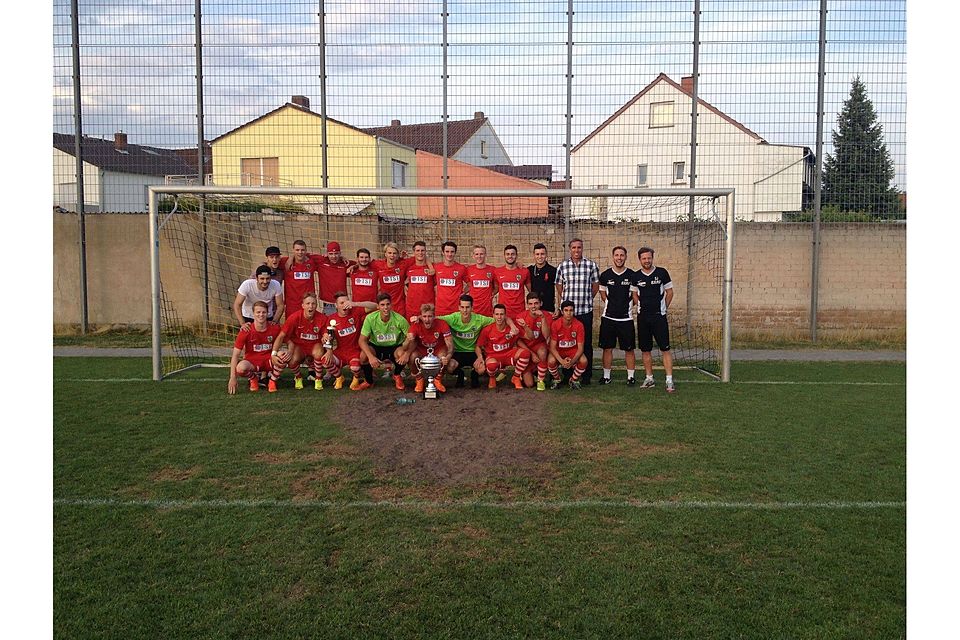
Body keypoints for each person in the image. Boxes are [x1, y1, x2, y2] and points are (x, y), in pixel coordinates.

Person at [555, 238, 600, 384]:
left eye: (579, 247)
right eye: (573, 247)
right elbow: (559, 287)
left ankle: (586, 376)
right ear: (570, 249)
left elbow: (595, 286)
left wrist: (586, 299)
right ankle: (568, 374)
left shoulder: (591, 265)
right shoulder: (563, 266)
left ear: (582, 249)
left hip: (585, 311)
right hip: (568, 313)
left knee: (585, 344)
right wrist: (566, 303)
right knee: (566, 343)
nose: (576, 250)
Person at [634, 246, 676, 393]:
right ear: (639, 259)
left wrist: (664, 307)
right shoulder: (636, 276)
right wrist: (639, 306)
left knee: (665, 349)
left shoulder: (662, 273)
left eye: (649, 258)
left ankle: (669, 380)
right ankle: (649, 378)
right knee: (646, 350)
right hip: (643, 317)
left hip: (659, 316)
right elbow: (634, 294)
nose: (647, 260)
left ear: (653, 258)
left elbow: (669, 292)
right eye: (644, 258)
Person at [319, 292, 377, 391]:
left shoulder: (355, 312)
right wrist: (328, 350)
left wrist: (355, 303)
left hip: (355, 352)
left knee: (355, 367)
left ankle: (356, 378)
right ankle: (339, 377)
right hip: (340, 352)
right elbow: (328, 337)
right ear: (336, 305)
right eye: (341, 303)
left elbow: (375, 306)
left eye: (346, 302)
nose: (345, 305)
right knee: (325, 361)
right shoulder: (331, 319)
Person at [598, 246, 638, 385]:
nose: (619, 258)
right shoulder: (605, 275)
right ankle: (606, 376)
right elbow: (602, 292)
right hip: (608, 317)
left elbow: (635, 295)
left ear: (626, 257)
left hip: (626, 319)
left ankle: (631, 377)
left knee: (629, 349)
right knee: (607, 348)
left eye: (622, 255)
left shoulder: (632, 275)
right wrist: (610, 303)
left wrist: (627, 306)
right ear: (613, 257)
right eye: (617, 255)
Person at [271, 292, 326, 390]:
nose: (311, 306)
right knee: (291, 360)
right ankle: (298, 377)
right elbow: (281, 336)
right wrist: (273, 353)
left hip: (314, 346)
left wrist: (326, 338)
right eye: (308, 303)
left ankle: (318, 379)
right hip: (299, 347)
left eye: (313, 304)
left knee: (318, 352)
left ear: (316, 305)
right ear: (303, 305)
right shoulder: (294, 317)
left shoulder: (322, 318)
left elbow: (326, 336)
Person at [439, 294, 494, 388]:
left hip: (473, 352)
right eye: (462, 307)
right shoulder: (453, 318)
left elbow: (498, 320)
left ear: (472, 308)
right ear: (459, 307)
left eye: (468, 307)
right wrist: (419, 317)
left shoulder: (479, 319)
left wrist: (512, 325)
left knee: (481, 369)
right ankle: (460, 374)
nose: (465, 310)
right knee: (449, 367)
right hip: (457, 352)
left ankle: (474, 375)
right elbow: (434, 319)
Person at [396, 303, 453, 393]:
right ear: (421, 317)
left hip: (437, 350)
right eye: (424, 316)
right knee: (412, 356)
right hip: (422, 351)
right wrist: (408, 339)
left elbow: (450, 345)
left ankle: (437, 379)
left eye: (430, 316)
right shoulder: (416, 325)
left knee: (443, 355)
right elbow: (404, 347)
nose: (427, 319)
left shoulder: (442, 324)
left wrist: (448, 356)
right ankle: (419, 379)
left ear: (434, 316)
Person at [358, 293, 410, 391]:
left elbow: (412, 339)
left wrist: (406, 354)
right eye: (382, 305)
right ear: (378, 306)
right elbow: (361, 340)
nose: (385, 307)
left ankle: (397, 375)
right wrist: (371, 357)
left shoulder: (400, 319)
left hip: (394, 347)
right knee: (363, 356)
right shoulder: (370, 318)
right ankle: (369, 381)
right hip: (376, 346)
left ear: (391, 305)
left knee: (403, 353)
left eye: (388, 304)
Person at [227, 301, 282, 394]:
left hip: (269, 360)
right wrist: (232, 377)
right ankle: (253, 378)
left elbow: (288, 339)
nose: (261, 315)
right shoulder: (246, 330)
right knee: (240, 368)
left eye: (263, 312)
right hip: (252, 362)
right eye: (258, 312)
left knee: (283, 355)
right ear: (253, 314)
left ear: (267, 313)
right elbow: (235, 355)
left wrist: (289, 351)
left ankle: (272, 381)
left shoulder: (275, 328)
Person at [476, 304, 530, 390]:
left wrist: (525, 326)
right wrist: (480, 358)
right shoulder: (487, 330)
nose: (499, 317)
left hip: (508, 354)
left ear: (505, 315)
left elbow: (529, 337)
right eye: (497, 314)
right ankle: (492, 378)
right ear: (493, 315)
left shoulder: (512, 328)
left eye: (501, 314)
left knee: (525, 353)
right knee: (491, 366)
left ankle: (516, 377)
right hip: (494, 356)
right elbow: (478, 346)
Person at [547, 300, 589, 390]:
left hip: (572, 351)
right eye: (566, 310)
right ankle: (557, 379)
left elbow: (580, 348)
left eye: (571, 310)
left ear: (574, 311)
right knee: (551, 361)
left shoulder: (579, 325)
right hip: (559, 351)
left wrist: (572, 361)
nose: (569, 313)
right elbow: (552, 347)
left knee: (584, 360)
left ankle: (573, 380)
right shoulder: (555, 324)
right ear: (562, 312)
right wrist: (562, 361)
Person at [515, 291, 552, 390]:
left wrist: (543, 318)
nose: (533, 306)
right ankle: (529, 371)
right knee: (529, 384)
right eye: (530, 304)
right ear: (527, 305)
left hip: (539, 345)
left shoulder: (546, 315)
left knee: (543, 352)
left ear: (541, 304)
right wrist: (531, 353)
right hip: (526, 349)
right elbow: (518, 340)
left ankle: (540, 381)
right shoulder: (521, 317)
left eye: (536, 303)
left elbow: (546, 335)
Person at [277, 240, 322, 321]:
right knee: (292, 329)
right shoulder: (285, 262)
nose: (300, 252)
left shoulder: (312, 261)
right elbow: (269, 263)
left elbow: (329, 258)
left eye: (302, 250)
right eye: (297, 250)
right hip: (292, 304)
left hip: (308, 304)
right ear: (293, 250)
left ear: (306, 251)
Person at [369, 242, 411, 318]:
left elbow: (420, 258)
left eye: (394, 253)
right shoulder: (378, 264)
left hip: (399, 305)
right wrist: (354, 266)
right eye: (389, 253)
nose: (392, 255)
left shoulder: (403, 264)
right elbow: (363, 263)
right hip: (385, 305)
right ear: (385, 254)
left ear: (398, 255)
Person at [316, 241, 356, 314]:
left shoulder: (345, 263)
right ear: (327, 254)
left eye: (336, 253)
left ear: (340, 253)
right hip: (328, 304)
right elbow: (305, 255)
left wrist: (354, 266)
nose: (333, 256)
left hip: (343, 302)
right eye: (331, 254)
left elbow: (361, 263)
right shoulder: (321, 261)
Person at [494, 244, 530, 318]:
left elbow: (530, 290)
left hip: (519, 312)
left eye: (512, 254)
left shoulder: (524, 271)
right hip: (503, 313)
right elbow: (495, 289)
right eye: (507, 254)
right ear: (504, 256)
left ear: (516, 255)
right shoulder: (497, 272)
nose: (510, 256)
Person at [404, 240, 436, 322]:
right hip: (412, 308)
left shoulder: (432, 268)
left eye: (422, 250)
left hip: (428, 308)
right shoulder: (408, 267)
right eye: (418, 250)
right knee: (412, 332)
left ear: (425, 252)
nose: (420, 253)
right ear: (414, 252)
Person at [433, 241, 467, 316]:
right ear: (443, 252)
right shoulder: (436, 267)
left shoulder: (461, 268)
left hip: (456, 308)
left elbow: (470, 283)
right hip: (440, 308)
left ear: (455, 253)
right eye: (447, 251)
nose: (449, 254)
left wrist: (464, 292)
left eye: (452, 252)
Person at [466, 244, 497, 317]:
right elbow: (469, 284)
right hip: (473, 310)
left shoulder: (493, 270)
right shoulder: (468, 270)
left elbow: (497, 287)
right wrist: (463, 292)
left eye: (481, 254)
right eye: (477, 254)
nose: (479, 256)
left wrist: (492, 294)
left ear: (485, 255)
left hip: (487, 310)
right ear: (473, 256)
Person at [527, 243, 558, 313]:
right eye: (537, 254)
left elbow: (559, 289)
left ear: (546, 255)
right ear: (534, 255)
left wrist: (558, 308)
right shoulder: (529, 270)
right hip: (534, 309)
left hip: (548, 309)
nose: (540, 256)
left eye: (542, 254)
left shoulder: (553, 271)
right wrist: (517, 264)